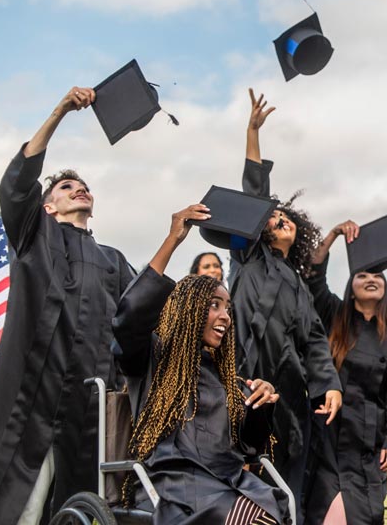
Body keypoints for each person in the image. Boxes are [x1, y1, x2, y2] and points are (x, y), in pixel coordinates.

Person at [0, 87, 136, 525]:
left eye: (83, 185)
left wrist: (174, 237)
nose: (79, 188)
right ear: (48, 206)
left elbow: (143, 312)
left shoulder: (114, 261)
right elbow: (17, 182)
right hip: (29, 404)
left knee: (78, 512)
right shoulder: (34, 236)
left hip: (89, 416)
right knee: (20, 511)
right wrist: (62, 110)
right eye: (67, 187)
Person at [112, 203, 289, 524]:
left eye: (227, 308)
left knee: (275, 510)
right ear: (189, 310)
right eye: (213, 306)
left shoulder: (227, 378)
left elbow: (250, 447)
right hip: (175, 484)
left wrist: (261, 404)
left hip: (230, 481)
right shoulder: (154, 358)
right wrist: (173, 239)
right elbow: (130, 318)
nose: (225, 316)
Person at [229, 89, 343, 518]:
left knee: (289, 482)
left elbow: (315, 341)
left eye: (287, 218)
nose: (281, 219)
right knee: (245, 481)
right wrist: (253, 135)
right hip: (242, 381)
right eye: (273, 218)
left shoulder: (298, 281)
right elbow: (255, 194)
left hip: (291, 394)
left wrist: (330, 385)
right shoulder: (246, 259)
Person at [303, 219, 387, 525]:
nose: (371, 279)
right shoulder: (332, 318)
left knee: (361, 516)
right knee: (320, 512)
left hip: (367, 446)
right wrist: (333, 235)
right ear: (351, 288)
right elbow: (313, 277)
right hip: (325, 436)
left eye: (377, 276)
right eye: (363, 274)